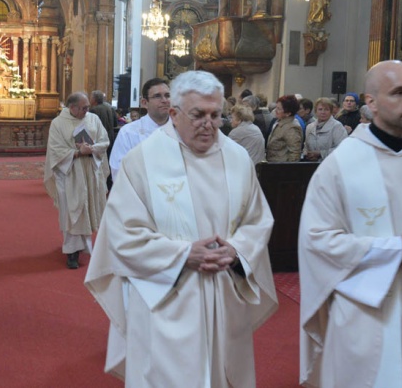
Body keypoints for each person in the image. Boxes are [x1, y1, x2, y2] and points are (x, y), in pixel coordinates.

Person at [85, 71, 278, 386]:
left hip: (224, 297)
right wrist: (183, 253)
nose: (209, 124)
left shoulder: (237, 157)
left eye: (216, 115)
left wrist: (237, 250)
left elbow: (257, 220)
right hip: (167, 300)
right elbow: (122, 236)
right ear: (173, 114)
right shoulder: (142, 161)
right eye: (198, 115)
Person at [298, 61, 402, 388]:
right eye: (399, 92)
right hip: (361, 305)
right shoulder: (342, 164)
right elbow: (317, 239)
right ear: (371, 102)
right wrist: (394, 249)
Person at [44, 92, 110, 269]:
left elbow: (104, 140)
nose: (87, 110)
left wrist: (92, 148)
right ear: (71, 107)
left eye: (88, 106)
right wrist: (78, 152)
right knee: (72, 210)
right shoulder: (58, 123)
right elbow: (55, 150)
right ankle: (72, 251)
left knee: (87, 208)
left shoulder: (93, 119)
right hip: (69, 173)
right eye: (84, 108)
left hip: (89, 171)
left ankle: (84, 246)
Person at [109, 78, 170, 179]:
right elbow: (118, 170)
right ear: (144, 102)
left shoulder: (182, 130)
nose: (164, 100)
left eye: (167, 95)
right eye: (157, 96)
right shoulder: (128, 132)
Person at [266, 94, 303, 162]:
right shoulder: (279, 121)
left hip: (281, 167)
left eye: (279, 109)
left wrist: (287, 170)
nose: (275, 111)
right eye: (276, 107)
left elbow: (294, 154)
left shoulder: (292, 128)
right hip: (273, 164)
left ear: (288, 113)